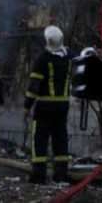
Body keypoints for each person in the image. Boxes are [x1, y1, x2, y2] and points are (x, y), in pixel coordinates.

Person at [25, 25, 73, 184]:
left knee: (40, 140)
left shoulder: (43, 59)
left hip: (44, 106)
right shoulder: (70, 57)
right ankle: (61, 175)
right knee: (60, 139)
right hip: (63, 106)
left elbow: (33, 87)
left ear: (47, 40)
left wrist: (27, 106)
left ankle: (38, 176)